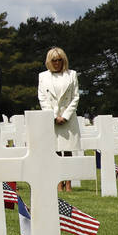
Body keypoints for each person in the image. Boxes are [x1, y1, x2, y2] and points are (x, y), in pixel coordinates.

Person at [38, 46, 81, 191]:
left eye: (59, 60)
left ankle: (68, 182)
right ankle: (58, 181)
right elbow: (42, 98)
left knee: (68, 151)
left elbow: (75, 97)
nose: (57, 63)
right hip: (52, 118)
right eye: (54, 60)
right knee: (55, 150)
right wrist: (53, 116)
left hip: (67, 117)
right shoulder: (43, 76)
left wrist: (65, 116)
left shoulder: (72, 74)